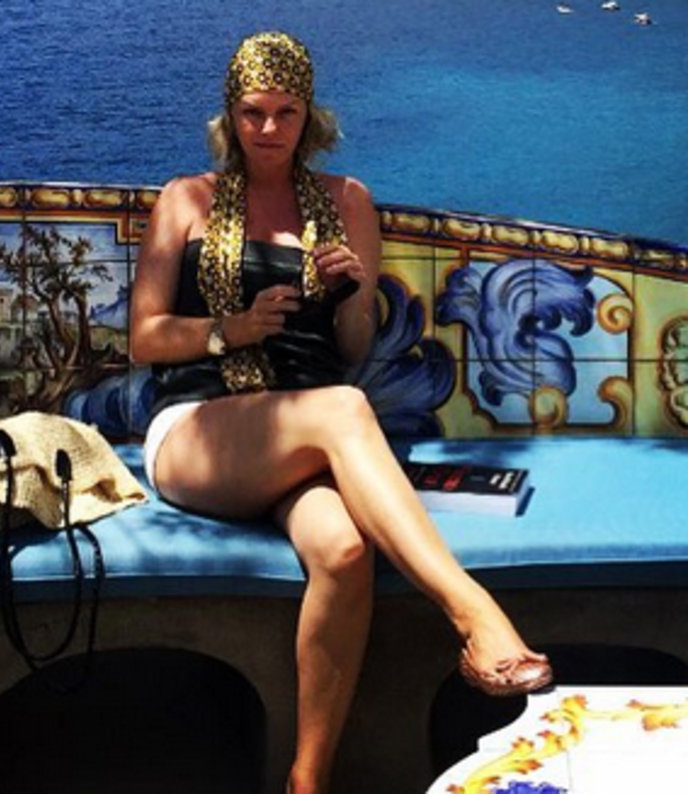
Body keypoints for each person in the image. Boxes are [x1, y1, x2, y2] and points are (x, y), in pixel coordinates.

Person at [130, 31, 553, 794]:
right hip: (198, 428)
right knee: (344, 411)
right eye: (252, 112)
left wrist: (351, 292)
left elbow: (353, 347)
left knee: (343, 550)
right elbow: (144, 338)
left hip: (306, 432)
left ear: (309, 115)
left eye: (285, 112)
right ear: (229, 115)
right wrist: (231, 329)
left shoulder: (347, 202)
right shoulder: (185, 200)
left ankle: (307, 779)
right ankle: (472, 613)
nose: (268, 128)